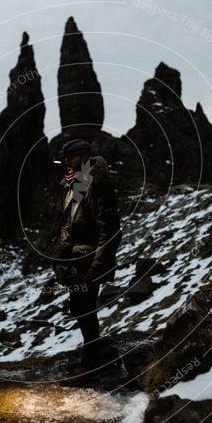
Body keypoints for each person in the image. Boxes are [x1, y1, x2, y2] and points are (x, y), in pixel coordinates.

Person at [54, 139, 122, 374]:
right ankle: (94, 353)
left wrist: (96, 266)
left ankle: (92, 364)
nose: (66, 163)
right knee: (80, 307)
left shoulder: (98, 184)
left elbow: (110, 229)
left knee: (83, 307)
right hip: (77, 261)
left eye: (69, 158)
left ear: (82, 157)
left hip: (89, 261)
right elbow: (69, 222)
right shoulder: (75, 183)